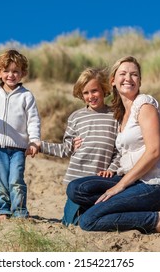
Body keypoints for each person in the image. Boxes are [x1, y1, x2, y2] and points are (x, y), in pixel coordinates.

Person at [66, 56, 160, 233]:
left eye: (134, 74)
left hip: (155, 185)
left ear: (139, 80)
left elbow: (154, 152)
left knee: (88, 221)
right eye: (123, 74)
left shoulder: (145, 104)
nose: (128, 78)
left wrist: (120, 186)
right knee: (76, 188)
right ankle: (116, 207)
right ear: (113, 81)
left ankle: (157, 220)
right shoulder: (121, 113)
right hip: (132, 181)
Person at [37, 67, 119, 226]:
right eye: (86, 93)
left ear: (104, 89)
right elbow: (65, 149)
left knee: (92, 221)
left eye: (94, 91)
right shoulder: (76, 117)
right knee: (70, 223)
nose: (91, 96)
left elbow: (119, 150)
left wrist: (112, 168)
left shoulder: (115, 116)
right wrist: (40, 146)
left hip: (99, 183)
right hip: (76, 182)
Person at [0, 49, 41, 220]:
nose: (11, 75)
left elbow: (33, 120)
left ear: (22, 73)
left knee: (16, 180)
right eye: (6, 71)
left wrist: (34, 141)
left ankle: (19, 211)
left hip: (18, 148)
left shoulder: (26, 96)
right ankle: (3, 210)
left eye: (15, 71)